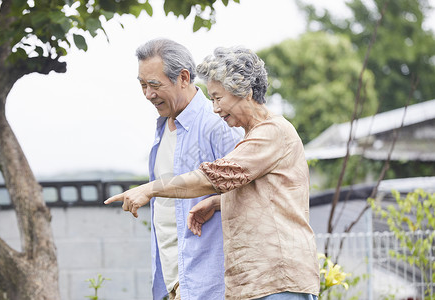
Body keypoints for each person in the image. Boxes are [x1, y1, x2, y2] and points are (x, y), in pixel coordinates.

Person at [106, 46, 320, 300]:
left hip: (276, 281)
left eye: (218, 98)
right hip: (259, 284)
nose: (215, 109)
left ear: (245, 91)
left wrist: (150, 189)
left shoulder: (272, 132)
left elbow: (214, 176)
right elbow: (266, 195)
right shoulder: (256, 135)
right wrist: (220, 202)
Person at [133, 39, 242, 300]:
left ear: (183, 77)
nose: (148, 94)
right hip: (174, 283)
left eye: (155, 85)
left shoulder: (217, 124)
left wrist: (215, 202)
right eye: (142, 85)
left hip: (209, 284)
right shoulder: (162, 127)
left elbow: (251, 192)